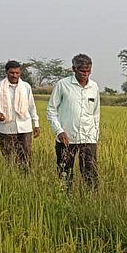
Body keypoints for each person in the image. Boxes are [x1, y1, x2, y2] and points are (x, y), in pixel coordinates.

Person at [46, 53, 101, 188]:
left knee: (90, 174)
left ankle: (91, 200)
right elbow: (51, 110)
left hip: (88, 138)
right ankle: (65, 200)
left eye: (88, 71)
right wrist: (59, 131)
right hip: (66, 138)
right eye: (82, 70)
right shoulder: (63, 85)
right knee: (65, 173)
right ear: (74, 69)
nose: (85, 74)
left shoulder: (94, 87)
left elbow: (96, 114)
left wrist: (95, 134)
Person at [0, 60, 40, 169]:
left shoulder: (26, 87)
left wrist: (36, 124)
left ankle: (25, 178)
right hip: (6, 128)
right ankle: (12, 178)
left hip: (25, 128)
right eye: (12, 73)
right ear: (6, 72)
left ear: (20, 73)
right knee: (9, 158)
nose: (15, 75)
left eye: (17, 73)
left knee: (26, 156)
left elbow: (31, 106)